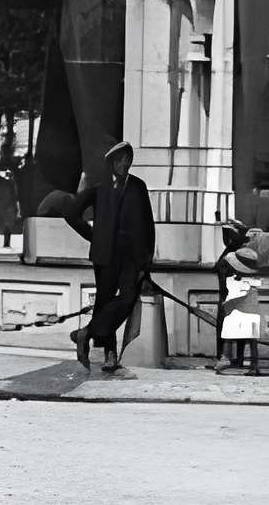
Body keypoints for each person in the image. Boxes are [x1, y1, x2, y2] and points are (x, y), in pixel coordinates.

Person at [64, 138, 156, 373]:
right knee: (104, 302)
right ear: (112, 163)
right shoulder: (99, 187)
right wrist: (93, 236)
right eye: (121, 160)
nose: (126, 164)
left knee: (127, 298)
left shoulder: (138, 186)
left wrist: (146, 261)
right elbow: (71, 213)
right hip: (104, 256)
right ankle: (110, 354)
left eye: (129, 159)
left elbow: (148, 225)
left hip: (131, 258)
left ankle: (86, 333)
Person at [211, 217, 250, 368]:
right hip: (230, 296)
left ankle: (227, 357)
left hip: (232, 296)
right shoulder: (234, 253)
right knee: (230, 327)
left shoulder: (237, 253)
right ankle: (230, 357)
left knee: (231, 326)